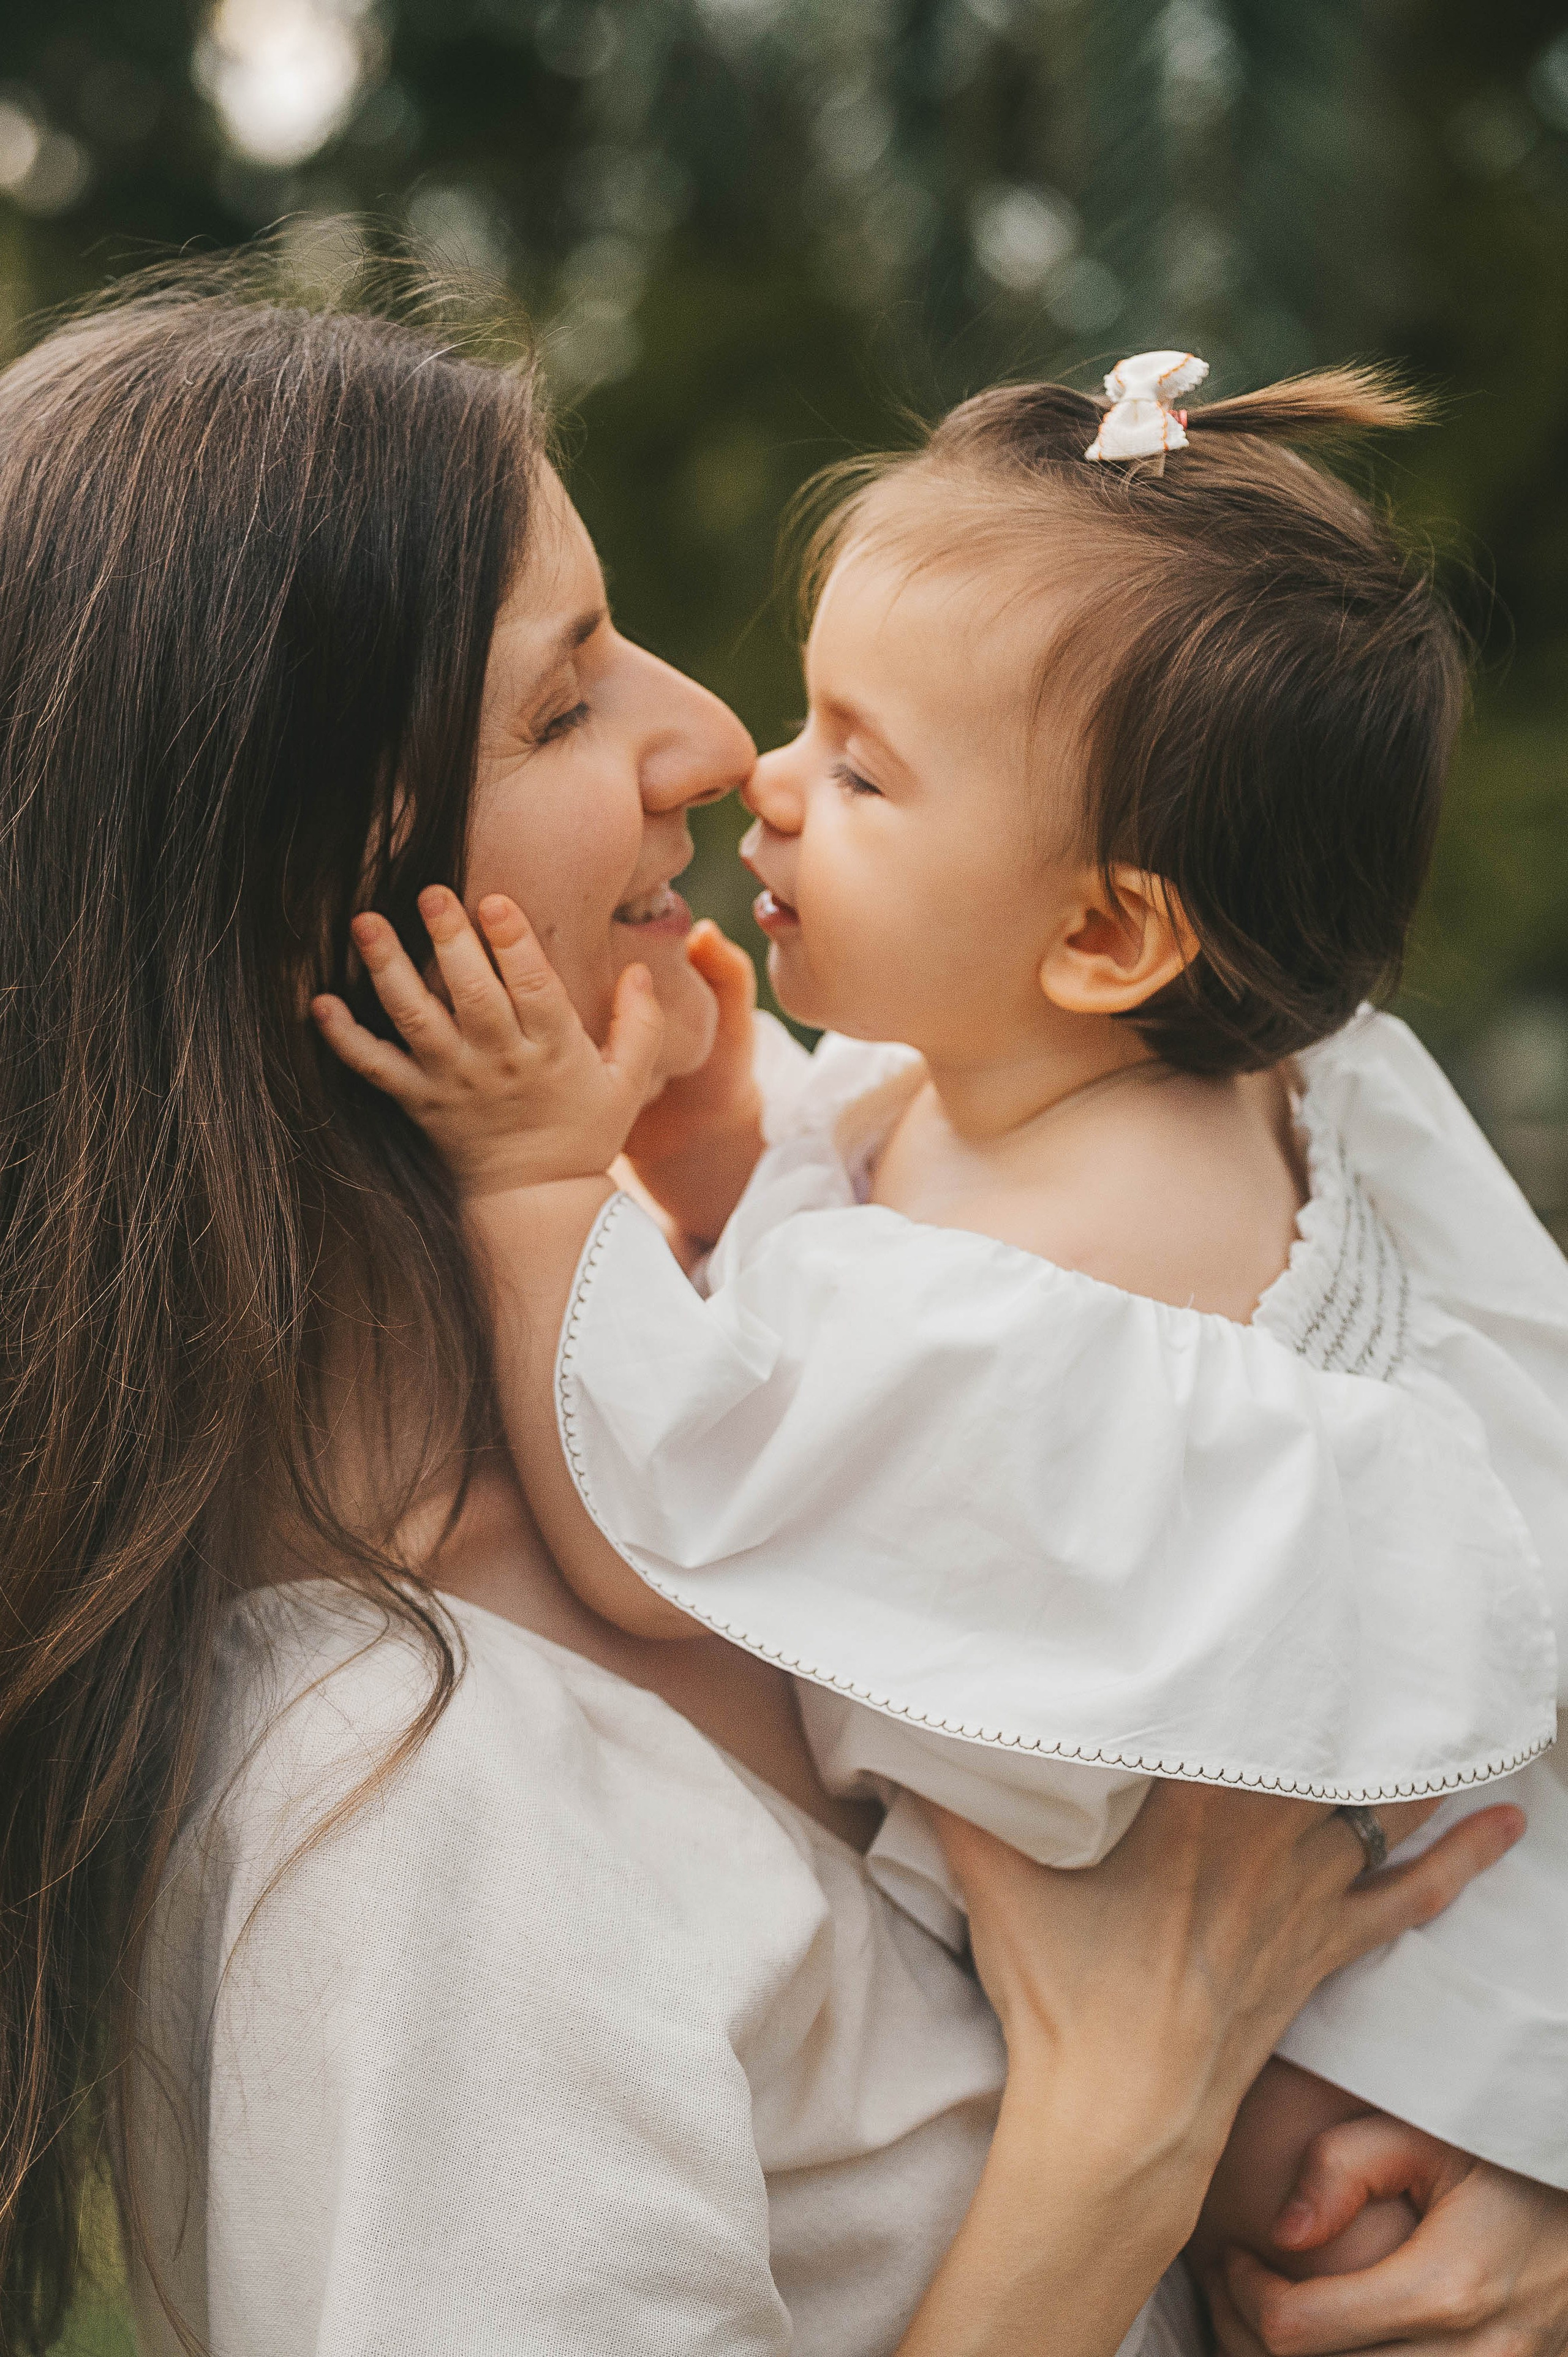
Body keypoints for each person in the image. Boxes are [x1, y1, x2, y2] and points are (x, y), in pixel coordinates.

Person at [0, 275, 1559, 2357]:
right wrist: (1122, 2129)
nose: (718, 746)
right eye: (562, 706)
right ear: (312, 904)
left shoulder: (822, 1308)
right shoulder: (400, 1811)